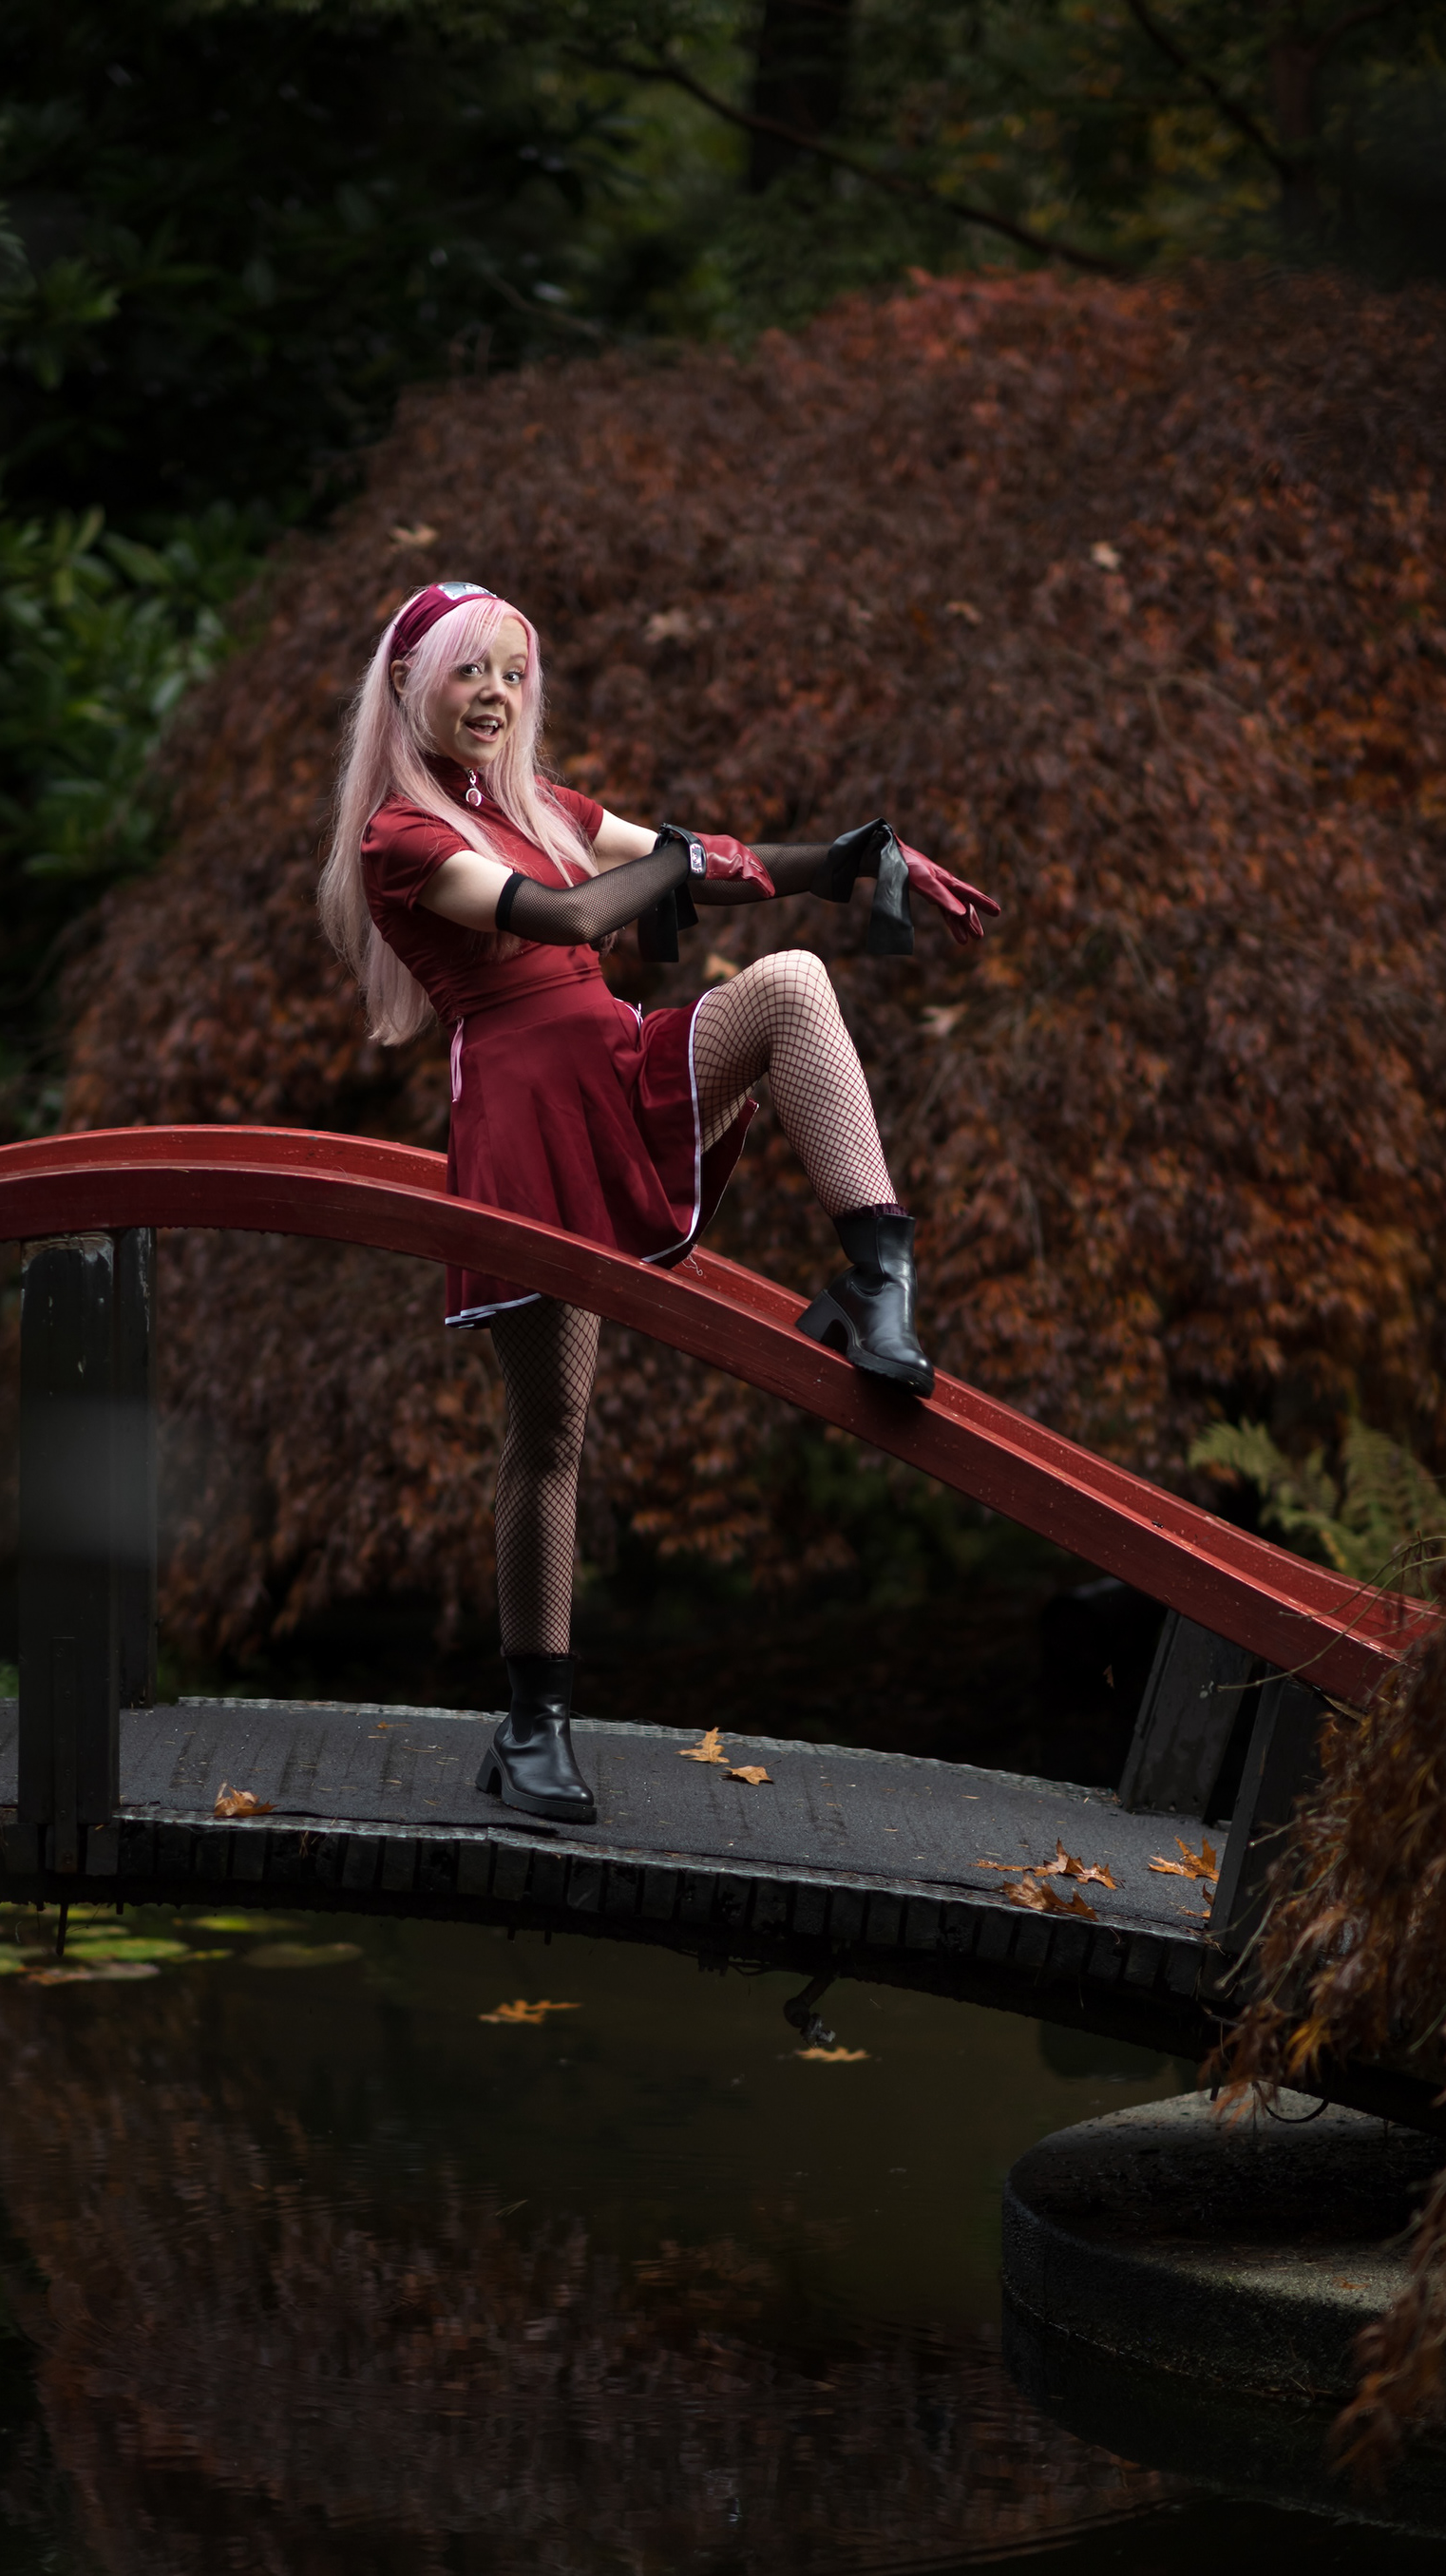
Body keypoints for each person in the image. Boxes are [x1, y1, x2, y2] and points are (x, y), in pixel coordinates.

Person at [318, 581, 999, 1838]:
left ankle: (876, 1282)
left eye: (514, 673)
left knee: (791, 984)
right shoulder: (399, 839)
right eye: (470, 671)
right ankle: (533, 1727)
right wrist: (673, 861)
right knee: (551, 1430)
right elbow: (568, 914)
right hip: (528, 1120)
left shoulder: (543, 808)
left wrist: (852, 863)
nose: (496, 694)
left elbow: (715, 863)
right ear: (411, 685)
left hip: (619, 1064)